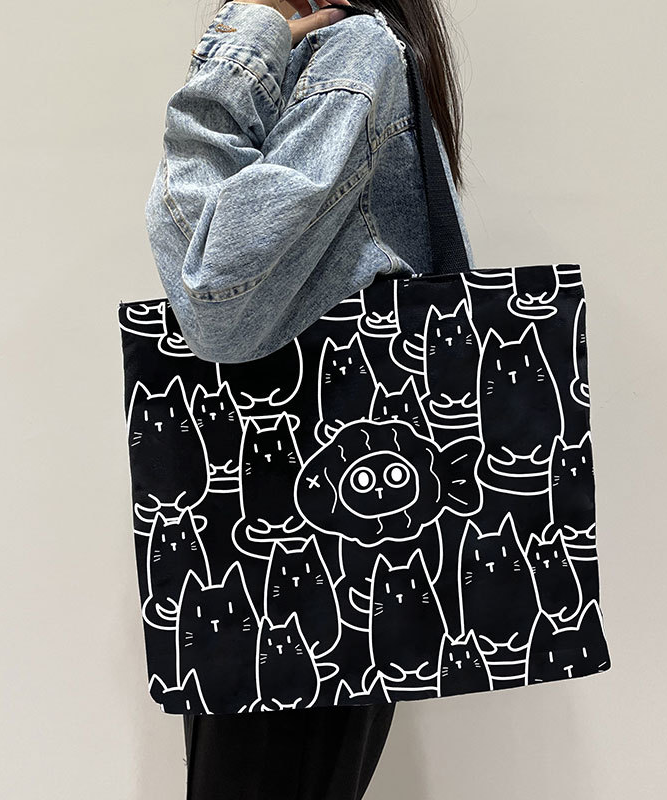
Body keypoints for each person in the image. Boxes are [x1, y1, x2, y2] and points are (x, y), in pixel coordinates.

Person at [144, 0, 476, 797]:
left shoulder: (356, 50)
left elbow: (213, 295)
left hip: (298, 573)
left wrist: (233, 62)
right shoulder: (348, 52)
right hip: (323, 559)